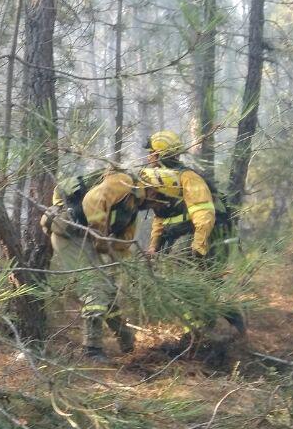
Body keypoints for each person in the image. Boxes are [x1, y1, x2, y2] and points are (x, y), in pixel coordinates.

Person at [139, 130, 246, 338]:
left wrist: (198, 246)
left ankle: (197, 332)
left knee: (189, 282)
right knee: (201, 283)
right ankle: (223, 322)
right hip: (178, 236)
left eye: (151, 152)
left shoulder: (188, 178)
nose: (148, 157)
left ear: (161, 155)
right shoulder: (162, 179)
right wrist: (154, 246)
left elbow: (204, 215)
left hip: (200, 236)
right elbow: (161, 216)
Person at [43, 169, 151, 361]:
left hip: (88, 238)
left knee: (108, 291)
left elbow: (122, 244)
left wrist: (124, 269)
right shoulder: (124, 183)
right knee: (95, 289)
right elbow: (94, 200)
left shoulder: (132, 206)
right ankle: (92, 349)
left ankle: (127, 344)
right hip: (69, 234)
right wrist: (100, 235)